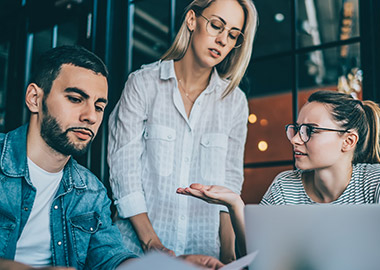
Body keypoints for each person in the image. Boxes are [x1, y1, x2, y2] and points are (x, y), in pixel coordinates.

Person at [0, 45, 223, 270]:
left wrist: (169, 266)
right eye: (76, 99)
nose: (90, 116)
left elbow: (111, 259)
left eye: (99, 107)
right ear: (34, 98)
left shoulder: (91, 191)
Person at [177, 90, 380, 270]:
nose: (295, 139)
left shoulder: (378, 183)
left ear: (348, 141)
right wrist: (236, 205)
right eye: (297, 128)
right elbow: (256, 262)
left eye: (309, 131)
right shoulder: (284, 185)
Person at [107, 0, 258, 263]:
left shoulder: (235, 102)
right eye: (217, 26)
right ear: (191, 20)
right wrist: (152, 244)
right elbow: (124, 173)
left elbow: (230, 184)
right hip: (137, 254)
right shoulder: (142, 84)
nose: (223, 40)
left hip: (204, 255)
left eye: (233, 35)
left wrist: (227, 255)